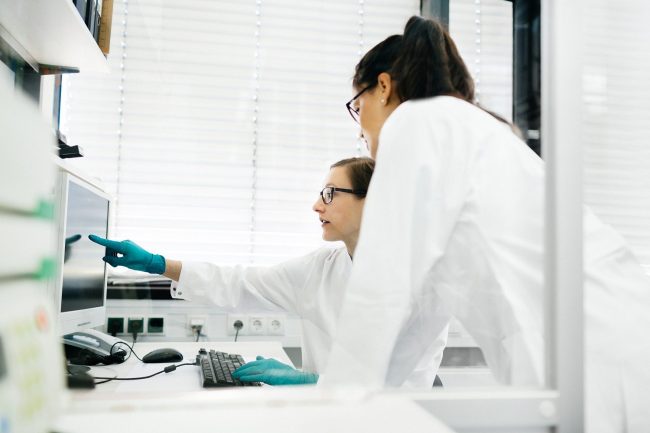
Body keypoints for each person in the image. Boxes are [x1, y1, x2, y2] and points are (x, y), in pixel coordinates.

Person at [324, 15, 650, 433]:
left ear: (384, 86)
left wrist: (331, 409)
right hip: (613, 328)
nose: (360, 130)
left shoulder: (417, 122)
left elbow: (380, 285)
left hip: (592, 345)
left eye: (358, 106)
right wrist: (347, 399)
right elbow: (417, 314)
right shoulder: (468, 129)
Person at [89, 156, 450, 387]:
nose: (316, 205)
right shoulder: (323, 268)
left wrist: (312, 381)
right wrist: (158, 264)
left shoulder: (422, 284)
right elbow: (243, 282)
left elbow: (404, 388)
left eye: (329, 193)